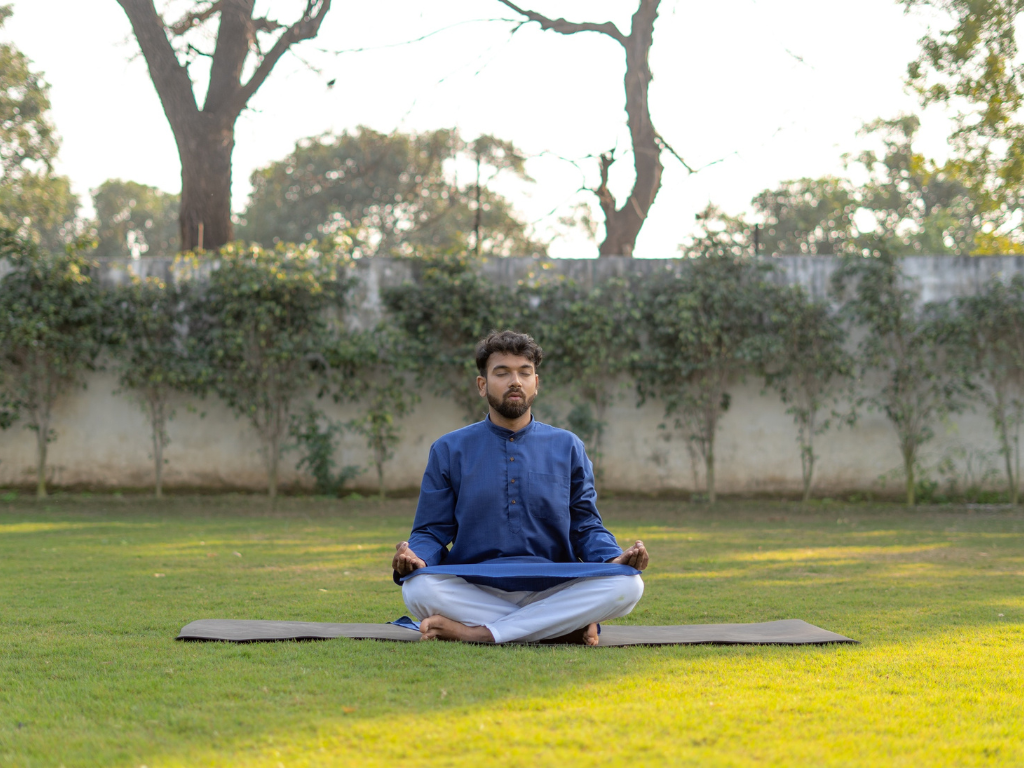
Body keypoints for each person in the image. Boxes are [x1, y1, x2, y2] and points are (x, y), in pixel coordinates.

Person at [391, 329, 649, 645]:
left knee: (628, 586)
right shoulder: (449, 449)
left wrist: (614, 559)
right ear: (482, 385)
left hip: (554, 584)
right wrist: (416, 558)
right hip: (475, 584)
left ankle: (478, 633)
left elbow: (585, 526)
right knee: (417, 588)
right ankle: (559, 628)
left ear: (535, 384)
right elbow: (431, 531)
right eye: (503, 373)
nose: (516, 381)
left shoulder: (567, 446)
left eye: (524, 373)